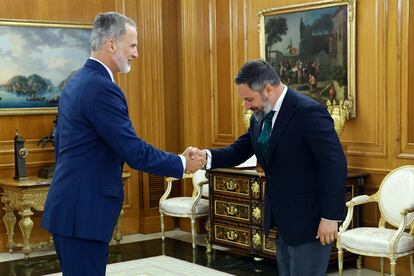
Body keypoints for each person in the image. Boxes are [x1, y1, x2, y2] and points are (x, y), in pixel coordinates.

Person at [41, 12, 204, 276]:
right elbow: (133, 151)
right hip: (83, 213)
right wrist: (183, 163)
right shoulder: (101, 87)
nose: (136, 54)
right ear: (112, 45)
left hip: (72, 208)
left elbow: (62, 146)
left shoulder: (77, 81)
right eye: (133, 45)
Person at [189, 59, 347, 275]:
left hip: (311, 222)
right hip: (282, 220)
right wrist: (205, 156)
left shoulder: (308, 112)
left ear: (268, 89)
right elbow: (241, 149)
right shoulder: (261, 114)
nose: (245, 105)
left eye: (248, 99)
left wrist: (330, 217)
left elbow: (334, 165)